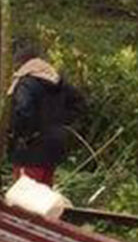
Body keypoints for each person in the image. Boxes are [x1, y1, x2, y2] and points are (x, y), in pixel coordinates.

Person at [8, 45, 85, 186]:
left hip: (30, 150)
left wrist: (22, 135)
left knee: (25, 196)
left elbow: (23, 111)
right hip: (54, 145)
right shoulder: (57, 81)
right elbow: (79, 103)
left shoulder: (26, 83)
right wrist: (62, 123)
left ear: (21, 63)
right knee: (44, 192)